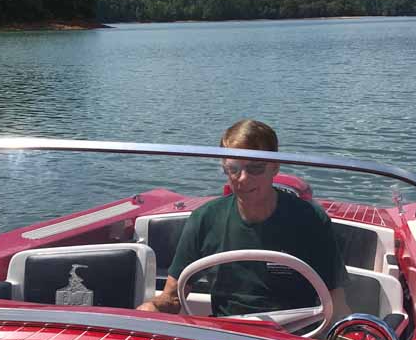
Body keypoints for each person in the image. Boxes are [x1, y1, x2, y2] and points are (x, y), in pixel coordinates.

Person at [137, 119, 350, 320]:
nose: (243, 178)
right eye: (234, 169)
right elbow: (172, 298)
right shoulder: (205, 219)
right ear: (224, 169)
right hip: (229, 337)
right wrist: (153, 307)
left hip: (296, 337)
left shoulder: (310, 220)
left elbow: (336, 304)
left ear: (275, 167)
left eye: (255, 167)